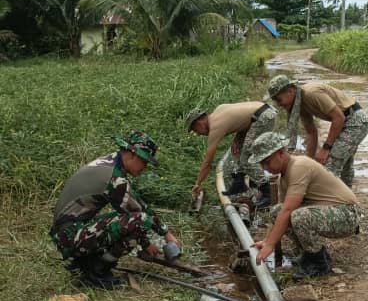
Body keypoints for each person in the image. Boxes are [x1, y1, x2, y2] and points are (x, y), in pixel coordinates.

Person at [50, 131, 180, 289]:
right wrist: (152, 240)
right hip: (70, 237)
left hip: (67, 232)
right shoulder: (114, 178)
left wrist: (163, 233)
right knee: (140, 220)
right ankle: (97, 271)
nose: (145, 167)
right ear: (132, 155)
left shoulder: (110, 163)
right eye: (144, 162)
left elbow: (135, 202)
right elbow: (139, 214)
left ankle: (86, 261)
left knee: (128, 220)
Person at [248, 132, 362, 279]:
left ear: (281, 153)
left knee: (298, 216)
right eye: (261, 163)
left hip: (347, 214)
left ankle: (319, 265)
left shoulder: (299, 166)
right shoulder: (284, 176)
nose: (265, 167)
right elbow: (282, 212)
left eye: (267, 161)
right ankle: (311, 255)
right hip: (332, 211)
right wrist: (266, 241)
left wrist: (270, 245)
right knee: (277, 211)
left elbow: (288, 210)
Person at [268, 73, 368, 187]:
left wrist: (325, 148)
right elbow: (311, 132)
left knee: (331, 163)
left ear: (290, 91)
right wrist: (308, 163)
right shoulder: (299, 104)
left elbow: (338, 117)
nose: (278, 104)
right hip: (345, 122)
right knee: (344, 161)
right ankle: (346, 195)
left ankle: (330, 199)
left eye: (278, 99)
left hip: (356, 121)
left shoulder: (311, 93)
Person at [185, 100, 277, 207]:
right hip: (262, 112)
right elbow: (243, 119)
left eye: (196, 130)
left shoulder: (215, 127)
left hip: (264, 117)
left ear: (199, 122)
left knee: (246, 159)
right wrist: (237, 138)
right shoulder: (218, 110)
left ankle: (267, 193)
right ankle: (239, 183)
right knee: (237, 149)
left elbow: (207, 163)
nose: (198, 134)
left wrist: (198, 183)